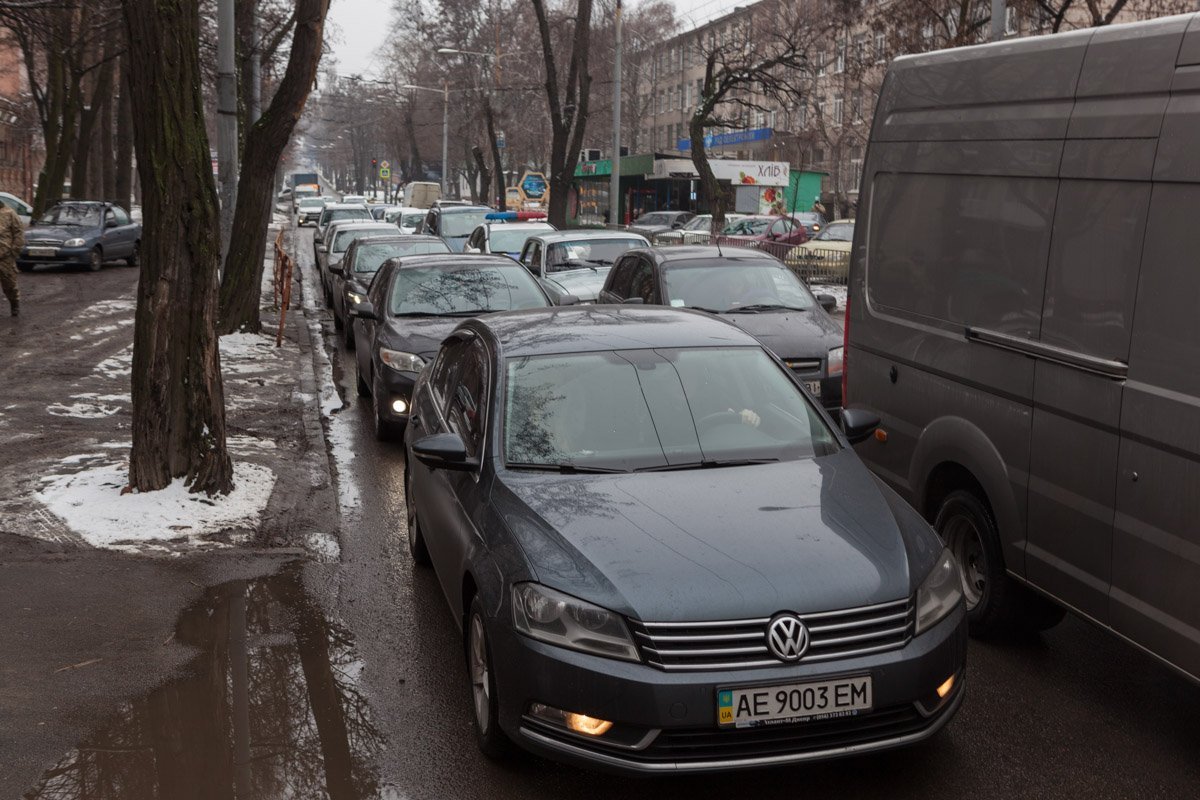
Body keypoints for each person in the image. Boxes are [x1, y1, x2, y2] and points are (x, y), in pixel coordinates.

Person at [0, 201, 24, 317]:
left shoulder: (9, 213)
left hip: (5, 257)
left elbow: (19, 233)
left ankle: (14, 304)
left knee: (9, 285)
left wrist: (14, 252)